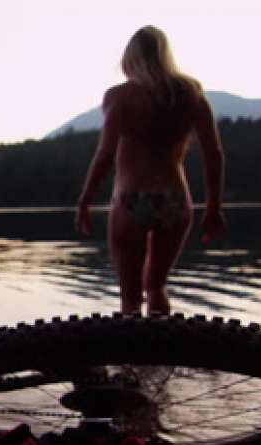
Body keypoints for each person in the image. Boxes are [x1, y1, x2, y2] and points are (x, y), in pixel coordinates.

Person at [75, 25, 225, 315]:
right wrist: (214, 207)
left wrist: (85, 201)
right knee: (156, 286)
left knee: (130, 298)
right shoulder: (190, 93)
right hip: (175, 200)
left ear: (129, 59)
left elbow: (105, 154)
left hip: (132, 199)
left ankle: (132, 359)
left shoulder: (119, 97)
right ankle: (163, 358)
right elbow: (213, 153)